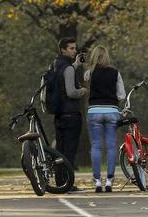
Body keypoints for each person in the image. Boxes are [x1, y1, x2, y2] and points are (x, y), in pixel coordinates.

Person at [84, 45, 126, 192]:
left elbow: (84, 79)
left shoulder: (89, 73)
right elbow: (121, 95)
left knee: (95, 146)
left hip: (94, 111)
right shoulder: (115, 73)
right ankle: (109, 180)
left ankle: (97, 181)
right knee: (111, 146)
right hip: (112, 111)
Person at [53, 37, 88, 191]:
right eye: (72, 48)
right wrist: (83, 90)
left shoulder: (55, 65)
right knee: (69, 151)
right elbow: (71, 92)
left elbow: (62, 80)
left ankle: (60, 182)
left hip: (59, 114)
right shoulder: (68, 69)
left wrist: (75, 65)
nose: (75, 51)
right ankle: (68, 184)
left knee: (60, 149)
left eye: (75, 48)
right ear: (63, 50)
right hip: (71, 114)